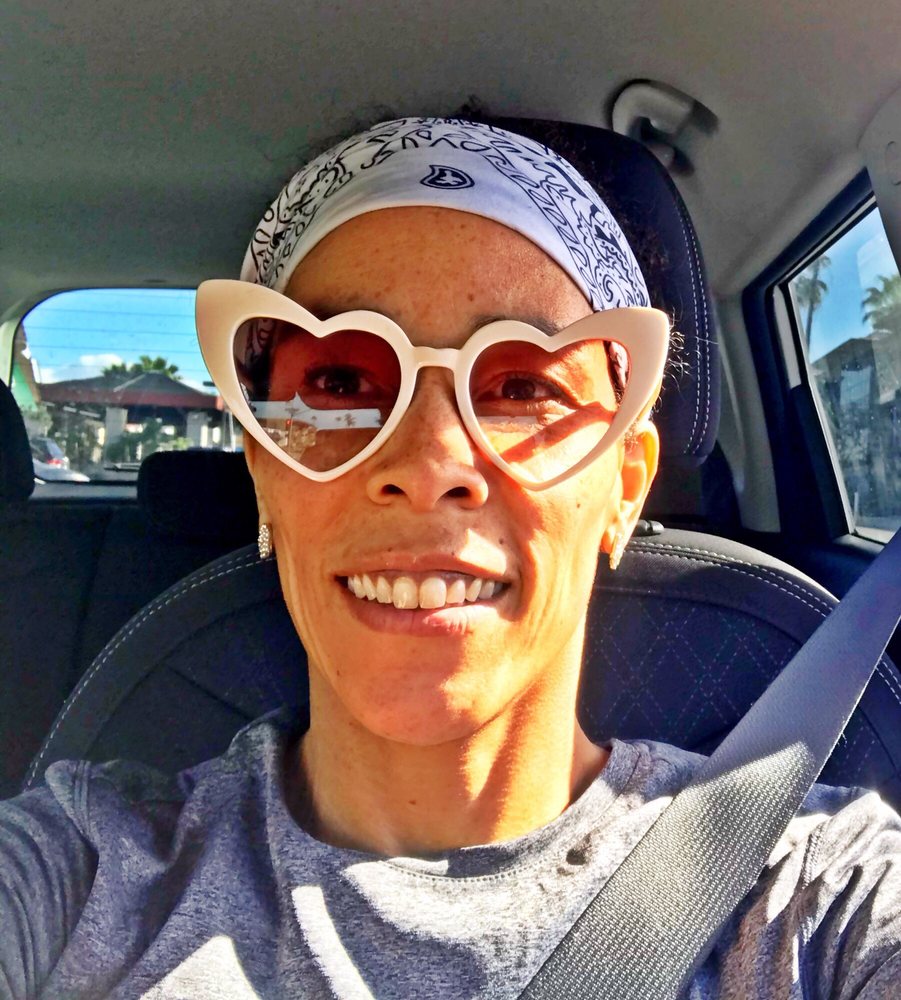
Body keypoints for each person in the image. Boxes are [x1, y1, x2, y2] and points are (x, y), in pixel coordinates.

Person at [1, 117, 899, 999]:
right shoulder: (79, 870)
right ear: (264, 474)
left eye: (522, 386)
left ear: (624, 489)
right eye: (342, 381)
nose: (430, 464)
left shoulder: (815, 897)